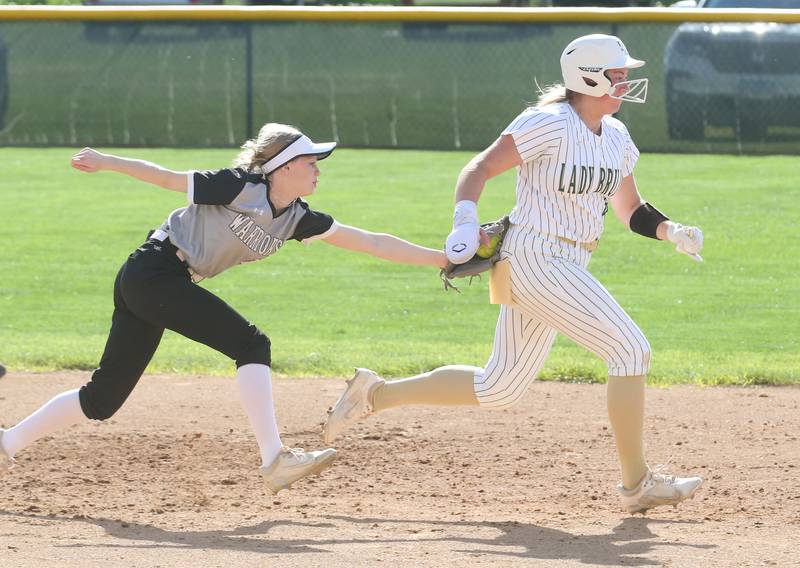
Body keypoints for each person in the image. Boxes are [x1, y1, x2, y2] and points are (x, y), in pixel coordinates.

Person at [324, 34, 705, 514]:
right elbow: (478, 169)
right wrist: (464, 218)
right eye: (618, 73)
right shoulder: (547, 123)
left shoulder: (617, 137)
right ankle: (637, 484)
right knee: (630, 349)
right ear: (588, 76)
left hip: (568, 262)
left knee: (498, 387)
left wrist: (671, 231)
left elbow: (629, 209)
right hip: (535, 257)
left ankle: (373, 394)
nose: (626, 81)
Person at [0, 123, 446, 493]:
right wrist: (106, 162)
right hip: (153, 272)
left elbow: (370, 241)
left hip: (160, 282)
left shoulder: (296, 217)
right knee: (251, 344)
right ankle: (275, 460)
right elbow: (168, 177)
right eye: (311, 162)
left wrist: (443, 259)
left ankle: (6, 442)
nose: (317, 170)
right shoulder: (239, 186)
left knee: (101, 400)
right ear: (284, 167)